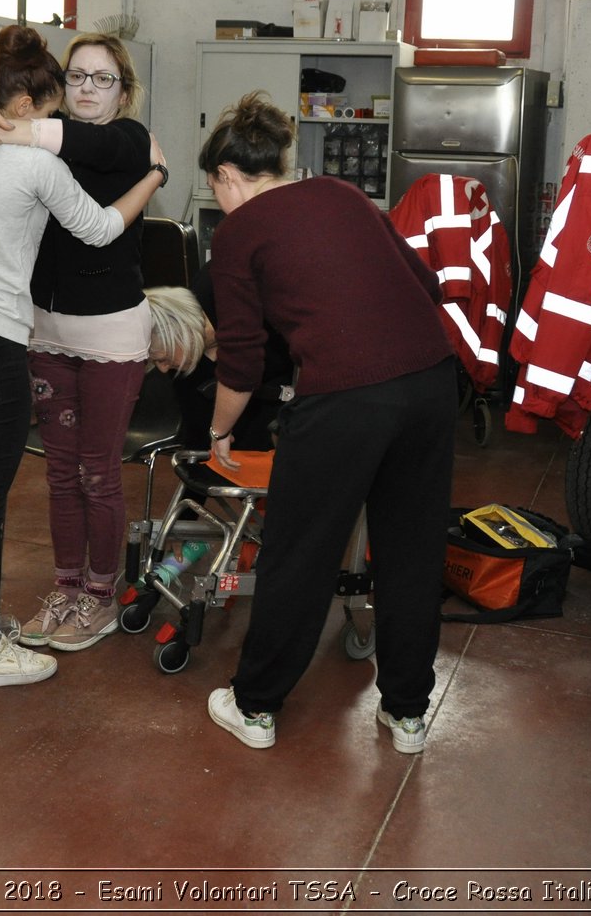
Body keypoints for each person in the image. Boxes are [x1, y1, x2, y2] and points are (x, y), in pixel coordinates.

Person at [0, 25, 166, 689]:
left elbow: (85, 143)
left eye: (101, 79)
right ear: (37, 97)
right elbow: (104, 227)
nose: (79, 93)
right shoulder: (37, 161)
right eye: (70, 81)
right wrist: (158, 179)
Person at [198, 93, 456, 754]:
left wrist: (218, 431)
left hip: (344, 398)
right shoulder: (343, 194)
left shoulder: (236, 233)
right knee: (412, 550)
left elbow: (241, 360)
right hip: (430, 381)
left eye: (216, 189)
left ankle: (254, 706)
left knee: (300, 551)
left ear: (228, 176)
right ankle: (406, 714)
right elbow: (425, 286)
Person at [144, 276, 293, 453]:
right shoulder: (185, 368)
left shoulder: (228, 295)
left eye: (162, 359)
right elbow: (198, 436)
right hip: (246, 428)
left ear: (179, 331)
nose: (163, 368)